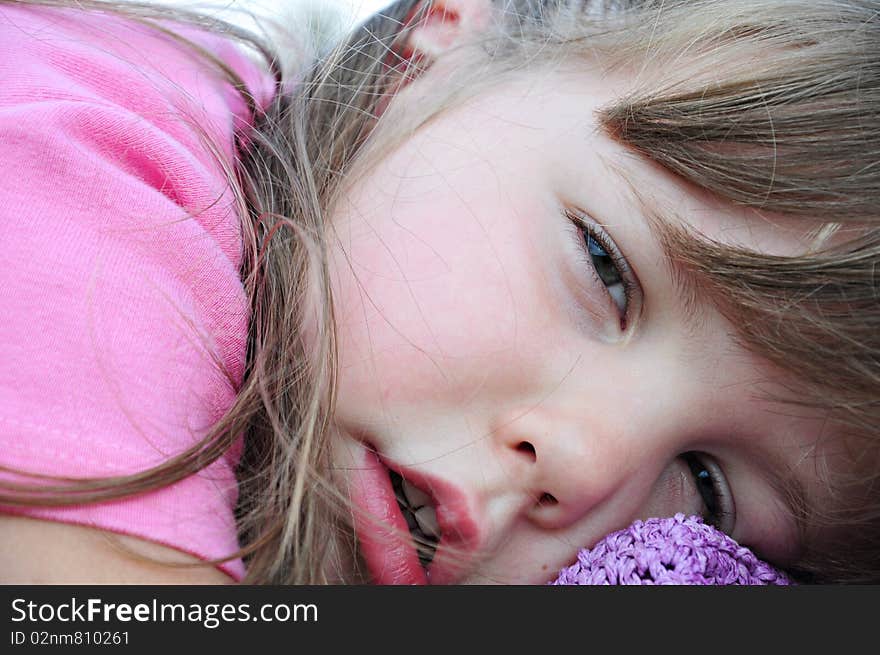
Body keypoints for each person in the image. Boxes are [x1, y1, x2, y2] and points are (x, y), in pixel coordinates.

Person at [0, 0, 877, 585]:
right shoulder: (81, 150)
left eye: (707, 487)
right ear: (451, 29)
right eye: (606, 267)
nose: (585, 461)